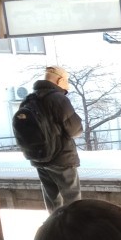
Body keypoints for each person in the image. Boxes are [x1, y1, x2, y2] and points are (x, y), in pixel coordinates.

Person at [27, 65, 83, 213]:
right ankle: (73, 226)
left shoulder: (30, 99)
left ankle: (54, 225)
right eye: (66, 81)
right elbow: (75, 129)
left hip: (40, 158)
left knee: (52, 199)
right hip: (61, 158)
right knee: (72, 199)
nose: (67, 86)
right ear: (60, 80)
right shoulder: (57, 98)